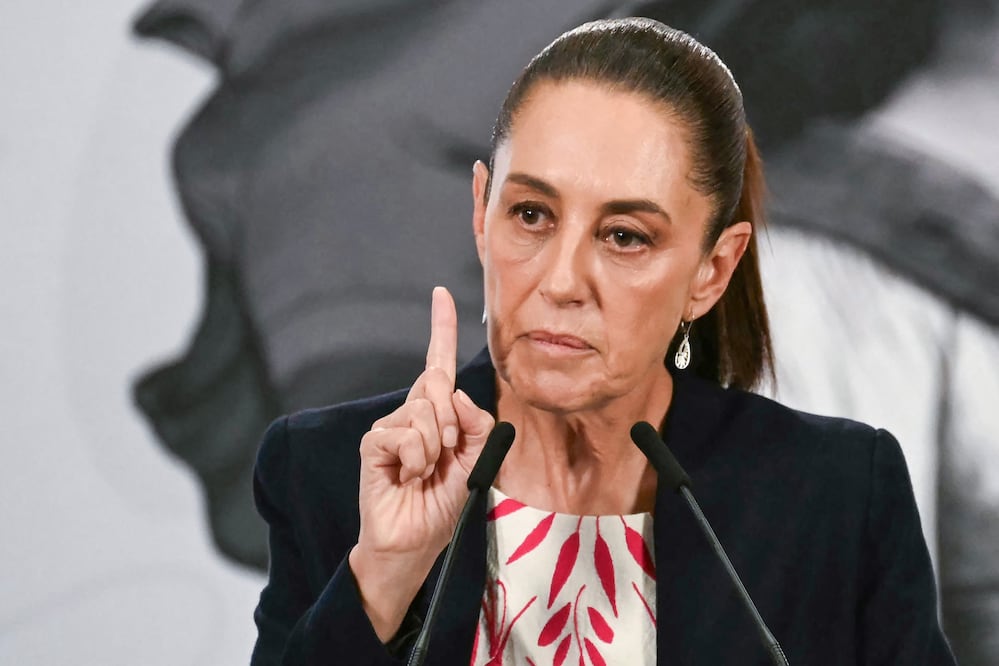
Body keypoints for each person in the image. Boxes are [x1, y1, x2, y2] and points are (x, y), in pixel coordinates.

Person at [250, 18, 955, 665]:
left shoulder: (835, 494)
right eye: (530, 214)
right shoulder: (328, 473)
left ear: (711, 271)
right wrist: (384, 575)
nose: (561, 280)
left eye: (624, 236)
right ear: (479, 211)